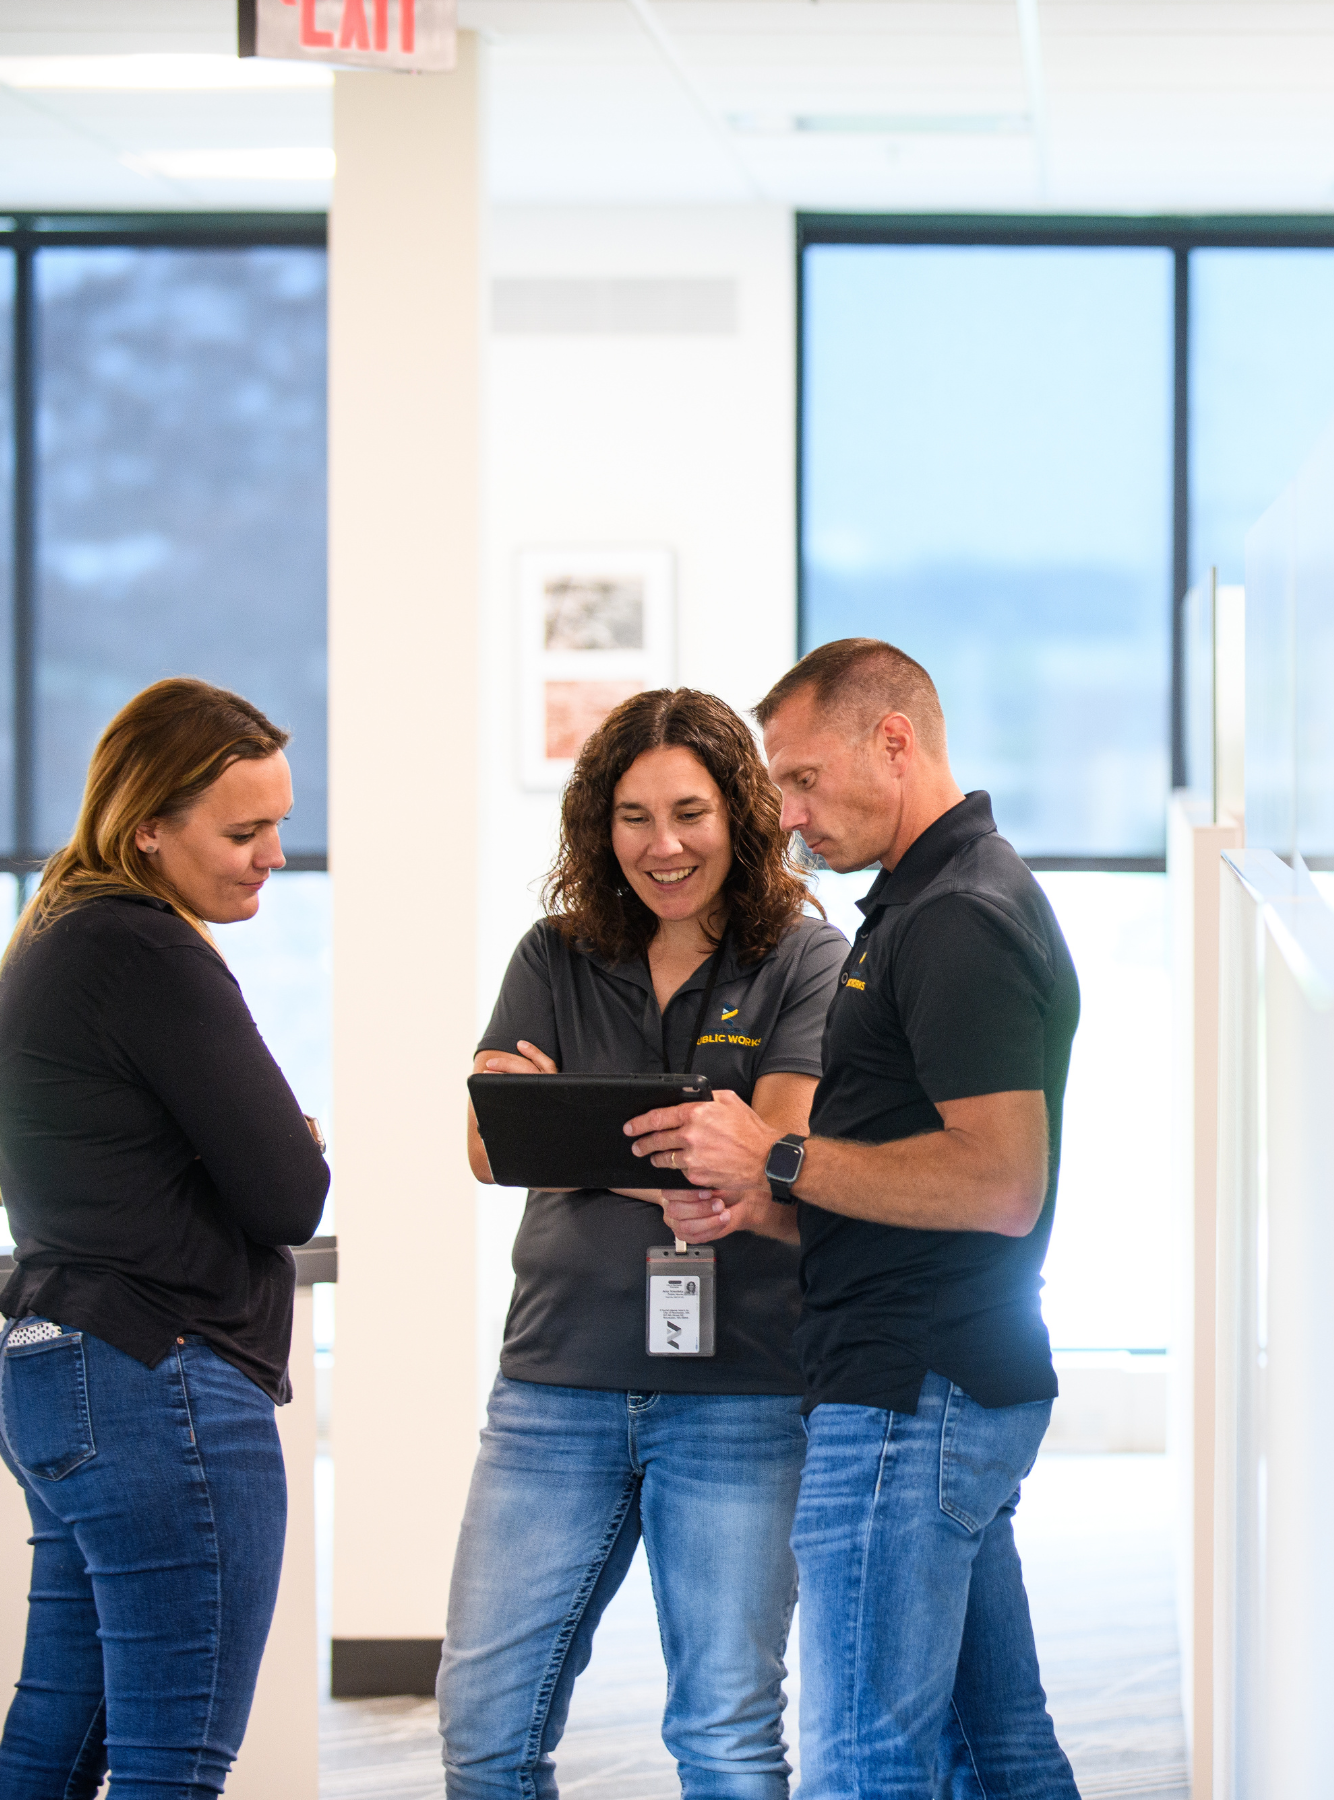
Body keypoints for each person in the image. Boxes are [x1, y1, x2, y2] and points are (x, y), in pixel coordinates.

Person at [625, 638, 1083, 1799]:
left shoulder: (959, 917)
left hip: (908, 1391)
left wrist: (777, 1153)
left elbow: (999, 1183)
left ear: (894, 741)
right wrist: (768, 1202)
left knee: (863, 1765)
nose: (785, 816)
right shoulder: (926, 900)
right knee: (999, 1752)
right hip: (937, 1378)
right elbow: (899, 1170)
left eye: (802, 780)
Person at [444, 689, 848, 1800]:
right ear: (600, 825)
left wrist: (571, 1125)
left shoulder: (805, 958)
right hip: (554, 1382)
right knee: (484, 1732)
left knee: (724, 1734)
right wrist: (681, 1144)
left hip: (742, 1393)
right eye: (633, 817)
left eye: (689, 813)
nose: (662, 846)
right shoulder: (554, 954)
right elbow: (488, 1143)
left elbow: (774, 1151)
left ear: (740, 815)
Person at [0, 677, 330, 1799]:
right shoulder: (149, 951)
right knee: (170, 1769)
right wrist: (293, 1143)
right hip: (156, 1383)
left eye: (279, 823)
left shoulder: (61, 935)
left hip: (57, 1369)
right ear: (148, 828)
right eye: (242, 831)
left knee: (52, 1747)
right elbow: (289, 1194)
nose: (274, 855)